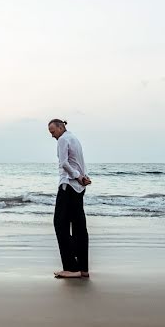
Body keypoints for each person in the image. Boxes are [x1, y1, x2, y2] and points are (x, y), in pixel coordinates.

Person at [48, 119, 91, 279]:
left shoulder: (63, 139)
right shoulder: (74, 139)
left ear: (61, 127)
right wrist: (83, 177)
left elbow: (64, 163)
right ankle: (83, 268)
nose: (52, 135)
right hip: (79, 188)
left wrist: (78, 177)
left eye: (53, 131)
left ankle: (71, 268)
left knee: (60, 224)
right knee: (79, 228)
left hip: (68, 186)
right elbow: (79, 162)